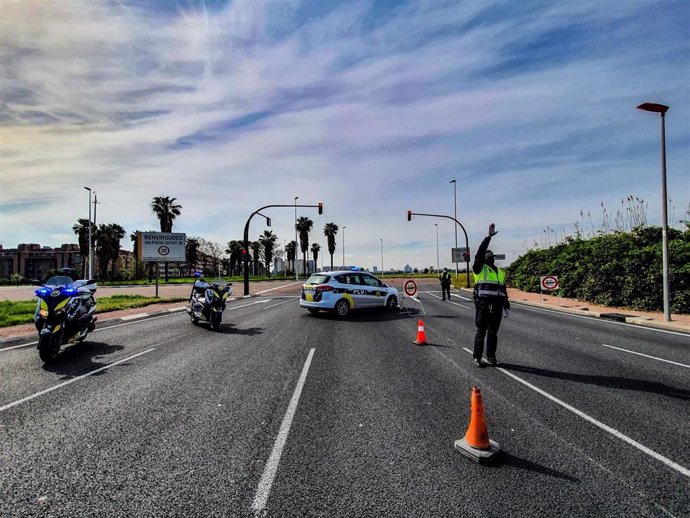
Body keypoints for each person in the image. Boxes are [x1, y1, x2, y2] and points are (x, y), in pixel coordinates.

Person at [472, 223, 510, 367]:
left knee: (493, 333)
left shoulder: (499, 272)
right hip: (483, 304)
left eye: (490, 256)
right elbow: (479, 254)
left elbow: (503, 290)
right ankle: (477, 357)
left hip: (497, 305)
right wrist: (488, 237)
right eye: (486, 256)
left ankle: (491, 357)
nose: (488, 257)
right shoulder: (480, 269)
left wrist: (507, 306)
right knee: (481, 331)